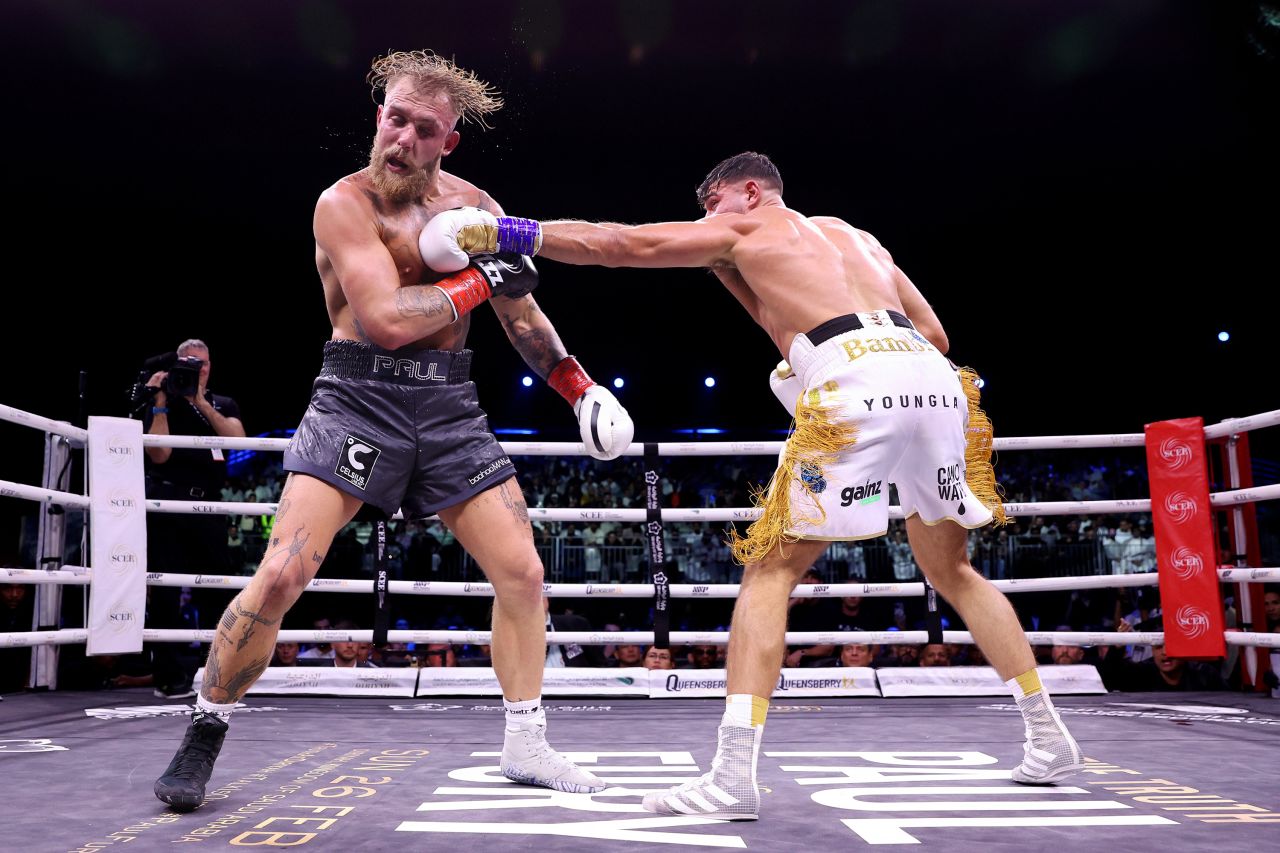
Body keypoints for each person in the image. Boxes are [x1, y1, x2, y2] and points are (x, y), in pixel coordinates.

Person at [422, 150, 1082, 820]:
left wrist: (502, 232)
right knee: (954, 569)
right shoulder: (858, 237)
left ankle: (733, 776)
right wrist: (798, 349)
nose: (705, 218)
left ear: (747, 192)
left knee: (769, 570)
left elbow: (623, 244)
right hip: (935, 384)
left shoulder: (750, 228)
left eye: (710, 203)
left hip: (855, 379)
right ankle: (1049, 736)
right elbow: (935, 334)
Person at [153, 50, 633, 812]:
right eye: (395, 117)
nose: (402, 137)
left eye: (424, 128)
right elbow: (383, 319)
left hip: (447, 407)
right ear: (379, 114)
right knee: (281, 574)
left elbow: (520, 315)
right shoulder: (343, 204)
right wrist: (481, 276)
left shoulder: (475, 204)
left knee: (525, 573)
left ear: (450, 141)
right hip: (356, 395)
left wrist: (578, 387)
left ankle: (525, 742)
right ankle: (207, 724)